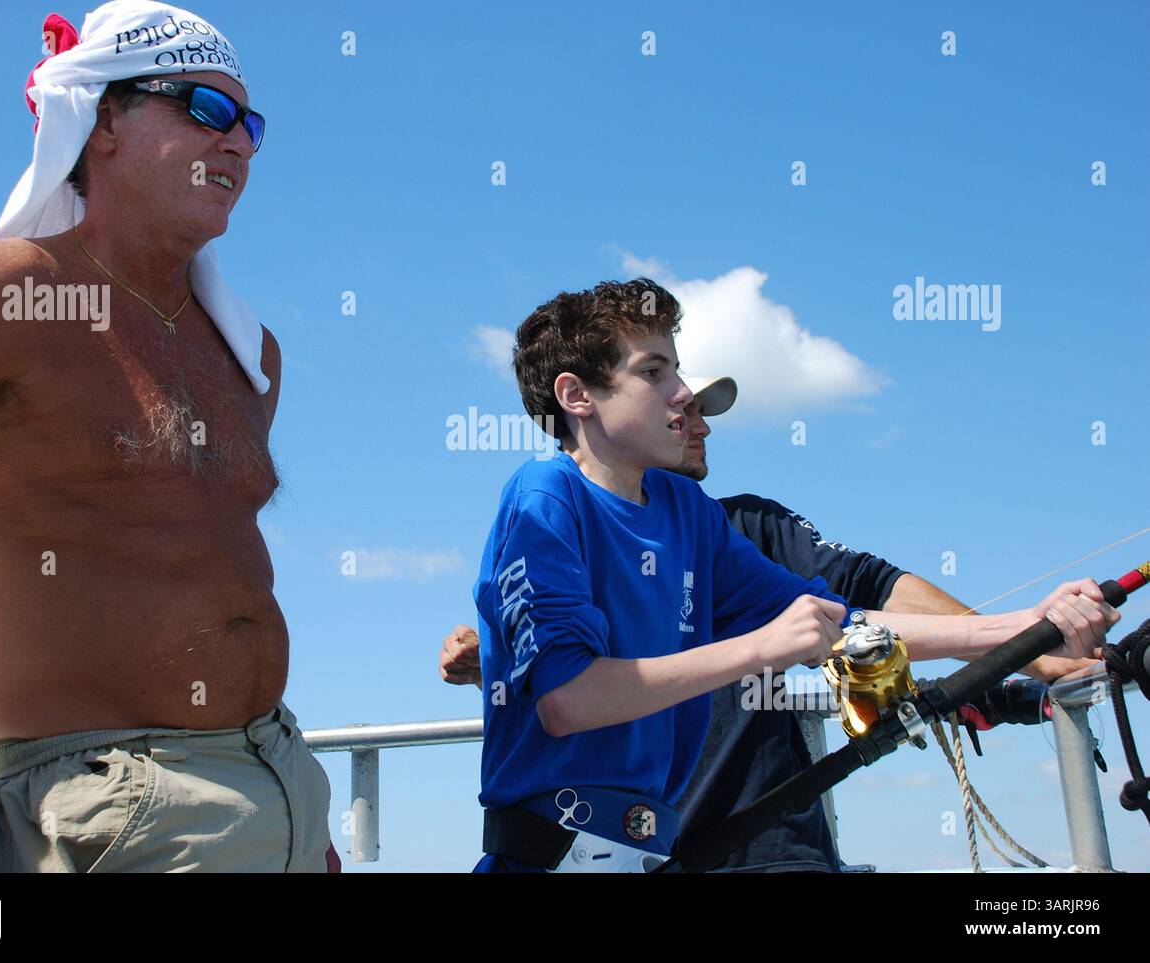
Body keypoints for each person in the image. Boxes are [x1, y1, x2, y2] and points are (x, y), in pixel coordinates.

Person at [0, 1, 335, 873]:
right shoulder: (7, 295)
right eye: (204, 108)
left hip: (281, 782)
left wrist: (289, 810)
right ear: (102, 119)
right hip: (115, 801)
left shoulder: (247, 351)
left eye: (250, 124)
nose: (237, 144)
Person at [468, 278, 1116, 872]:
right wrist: (764, 644)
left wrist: (1028, 626)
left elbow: (837, 626)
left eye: (677, 367)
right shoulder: (543, 496)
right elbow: (569, 700)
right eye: (653, 371)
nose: (684, 392)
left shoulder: (686, 513)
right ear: (577, 396)